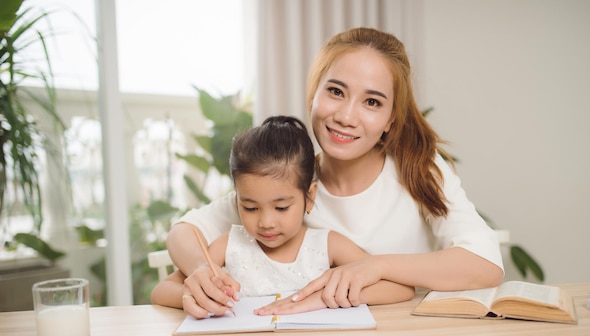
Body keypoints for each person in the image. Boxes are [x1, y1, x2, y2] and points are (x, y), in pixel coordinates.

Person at [164, 27, 504, 317]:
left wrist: (376, 266)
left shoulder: (420, 169)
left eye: (372, 102)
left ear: (390, 120)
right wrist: (199, 270)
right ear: (313, 94)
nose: (346, 116)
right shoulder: (291, 178)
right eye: (336, 92)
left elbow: (485, 265)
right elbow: (185, 231)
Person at [150, 115, 415, 318]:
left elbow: (400, 288)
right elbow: (161, 291)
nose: (266, 222)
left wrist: (327, 296)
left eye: (281, 208)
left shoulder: (327, 244)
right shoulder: (229, 244)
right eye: (250, 208)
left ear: (309, 196)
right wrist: (197, 295)